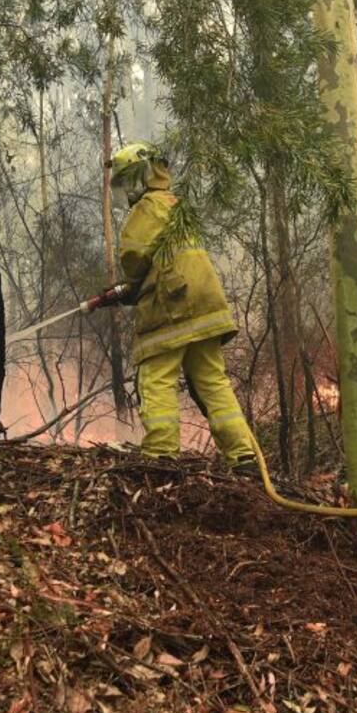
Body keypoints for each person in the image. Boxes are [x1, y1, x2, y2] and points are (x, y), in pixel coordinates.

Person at [103, 140, 260, 471]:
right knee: (211, 381)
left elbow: (134, 259)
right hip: (205, 304)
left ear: (140, 177)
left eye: (126, 181)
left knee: (156, 376)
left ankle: (161, 454)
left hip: (172, 305)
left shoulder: (145, 208)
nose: (124, 190)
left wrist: (129, 288)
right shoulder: (176, 204)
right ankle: (243, 455)